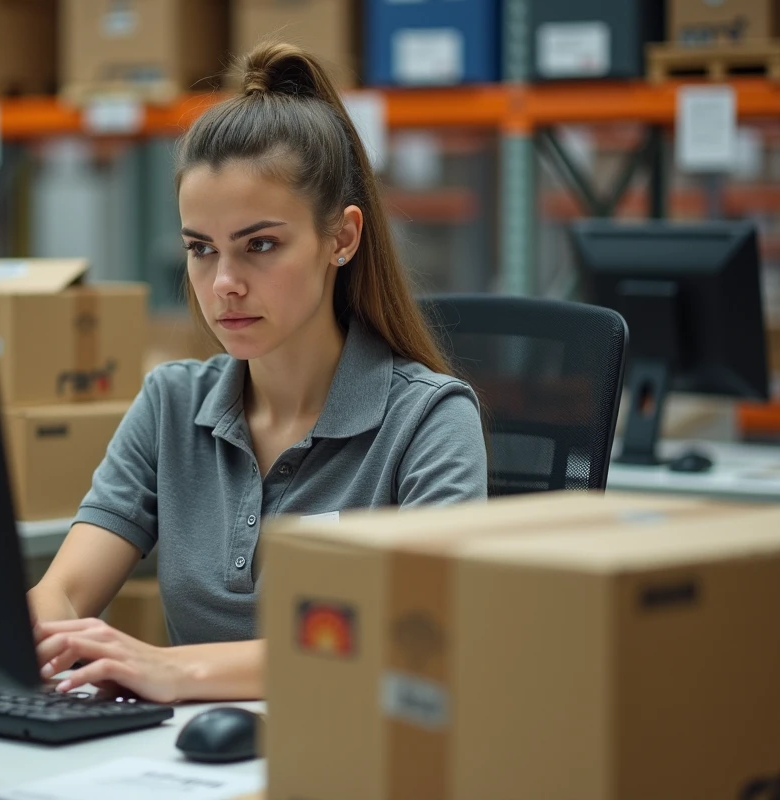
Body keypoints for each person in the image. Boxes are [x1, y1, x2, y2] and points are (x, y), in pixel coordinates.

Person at [26, 42, 487, 704]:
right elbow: (65, 588)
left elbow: (426, 630)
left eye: (260, 245)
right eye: (200, 250)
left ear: (342, 238)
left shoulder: (431, 421)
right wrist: (44, 629)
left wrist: (175, 670)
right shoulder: (171, 403)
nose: (224, 284)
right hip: (180, 759)